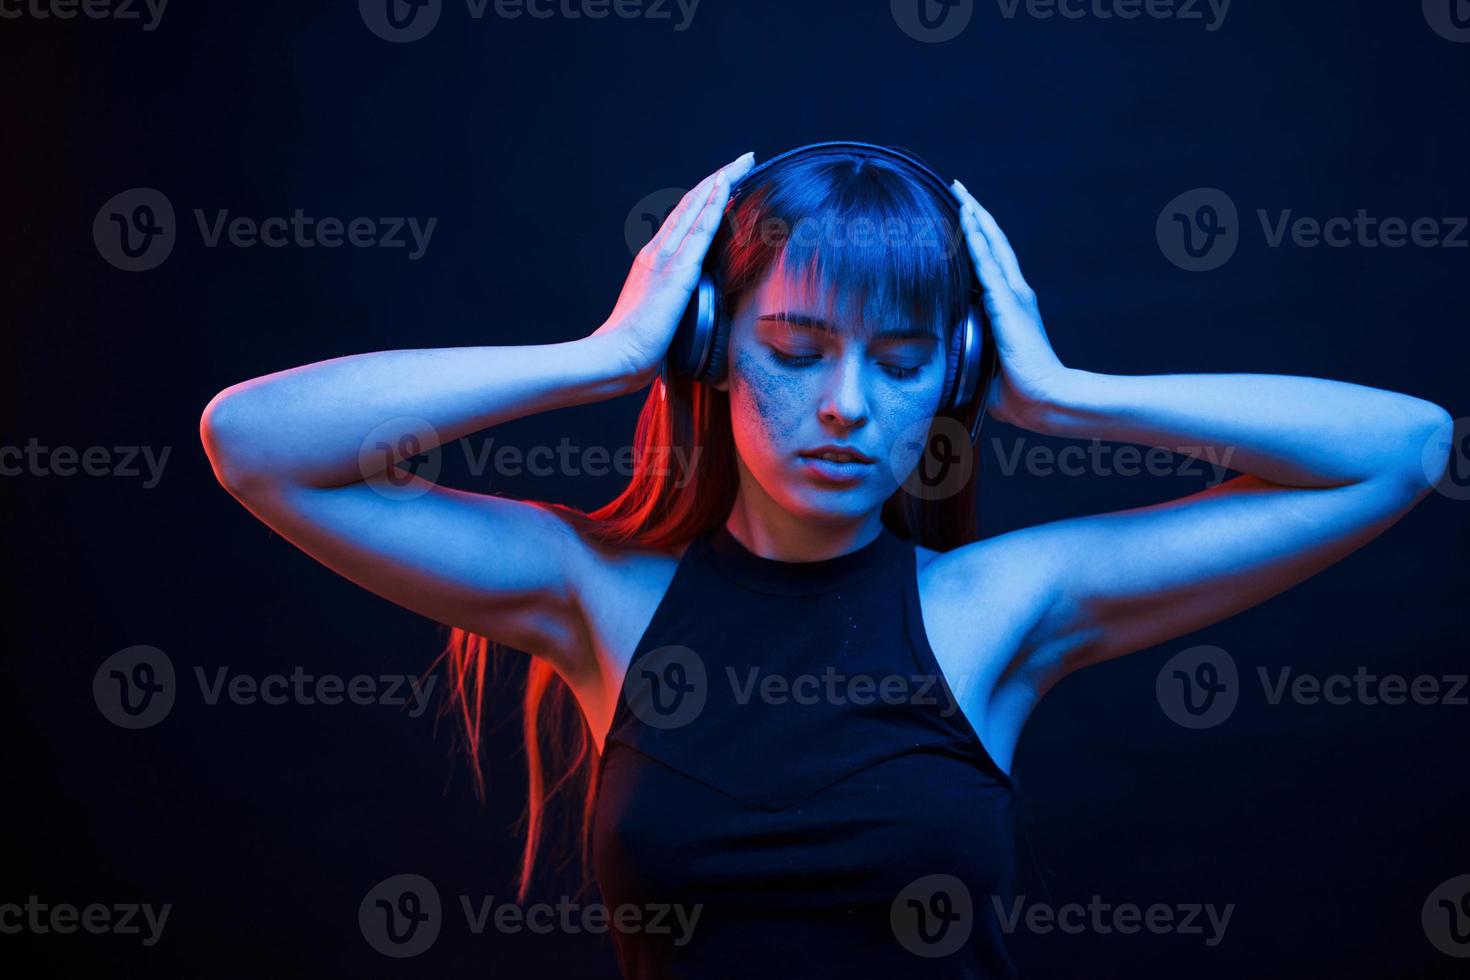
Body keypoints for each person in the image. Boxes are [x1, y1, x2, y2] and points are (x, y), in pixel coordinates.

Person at [199, 144, 1453, 977]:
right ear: (712, 352)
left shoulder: (995, 608)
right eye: (794, 349)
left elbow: (1402, 448)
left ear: (955, 377)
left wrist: (1069, 397)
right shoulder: (599, 600)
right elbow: (257, 443)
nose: (849, 403)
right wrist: (606, 352)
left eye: (904, 360)